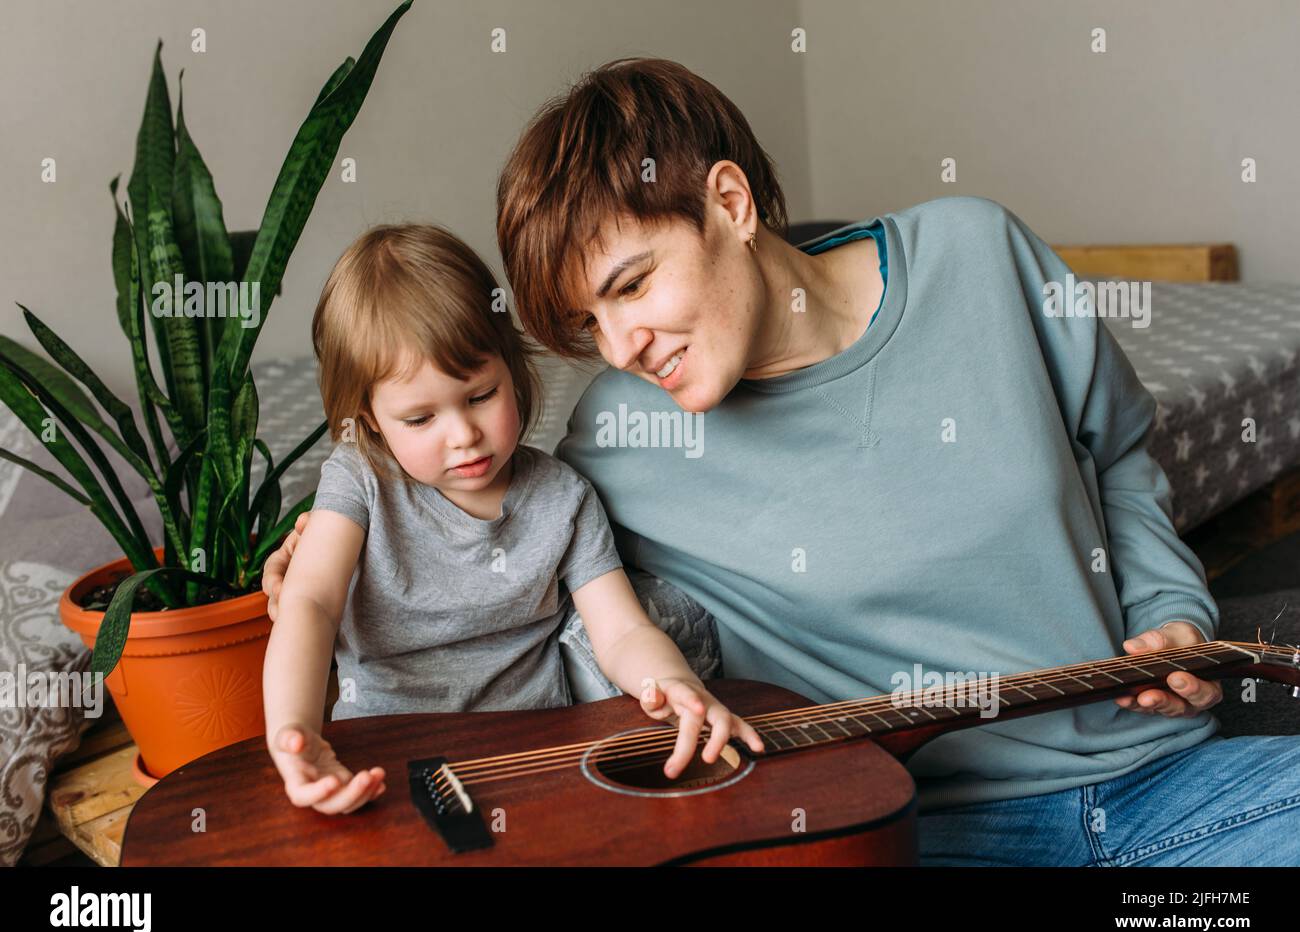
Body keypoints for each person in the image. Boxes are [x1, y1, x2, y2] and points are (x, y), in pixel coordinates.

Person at [266, 58, 1300, 864]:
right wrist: (316, 569)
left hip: (1163, 783)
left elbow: (1118, 453)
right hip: (902, 833)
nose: (620, 346)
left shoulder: (979, 254)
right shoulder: (619, 438)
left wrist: (1171, 613)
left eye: (631, 285)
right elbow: (494, 550)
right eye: (588, 322)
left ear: (728, 201)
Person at [262, 222, 763, 816]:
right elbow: (310, 603)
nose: (463, 435)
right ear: (370, 421)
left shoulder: (563, 498)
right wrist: (294, 736)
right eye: (419, 419)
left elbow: (623, 633)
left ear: (513, 367)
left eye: (480, 396)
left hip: (532, 762)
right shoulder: (360, 480)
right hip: (384, 760)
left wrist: (677, 685)